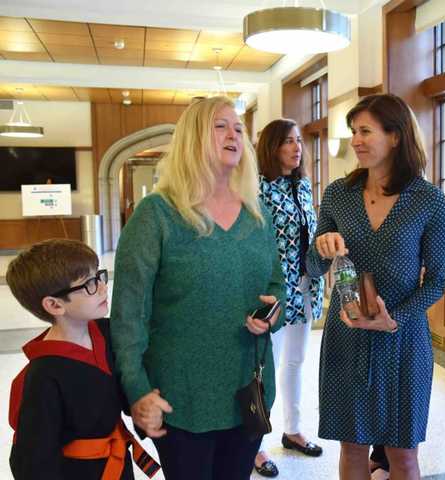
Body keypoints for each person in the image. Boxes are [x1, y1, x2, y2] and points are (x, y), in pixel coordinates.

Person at [110, 96, 286, 480]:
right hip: (180, 397)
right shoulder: (156, 215)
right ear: (192, 139)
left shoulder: (258, 215)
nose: (233, 134)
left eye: (238, 128)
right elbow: (128, 314)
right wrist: (137, 389)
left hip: (248, 390)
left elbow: (277, 285)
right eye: (220, 125)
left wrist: (272, 314)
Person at [306, 93, 445, 480]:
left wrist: (394, 319)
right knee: (351, 448)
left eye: (365, 131)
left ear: (396, 136)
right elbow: (313, 265)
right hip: (347, 335)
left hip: (403, 340)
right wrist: (321, 247)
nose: (356, 140)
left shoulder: (429, 200)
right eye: (354, 131)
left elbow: (437, 281)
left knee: (402, 455)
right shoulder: (339, 193)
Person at [6, 239, 159, 479]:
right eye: (88, 284)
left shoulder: (105, 333)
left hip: (118, 465)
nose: (102, 287)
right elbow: (33, 461)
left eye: (98, 276)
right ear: (54, 305)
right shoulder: (43, 375)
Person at [254, 118, 325, 477]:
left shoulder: (304, 186)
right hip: (273, 291)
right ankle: (257, 444)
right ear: (272, 147)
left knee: (296, 362)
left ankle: (293, 429)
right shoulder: (258, 189)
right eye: (288, 142)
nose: (297, 147)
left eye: (299, 141)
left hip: (306, 286)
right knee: (266, 367)